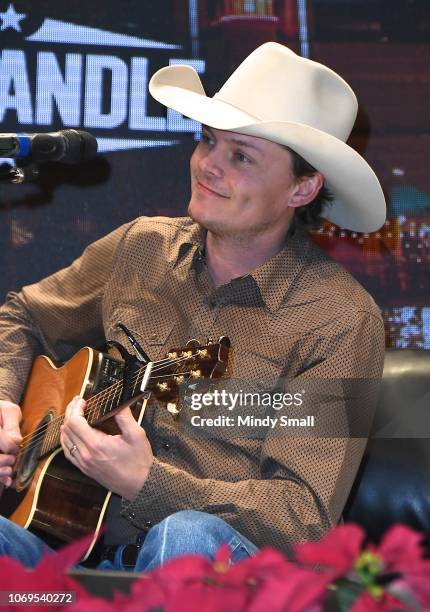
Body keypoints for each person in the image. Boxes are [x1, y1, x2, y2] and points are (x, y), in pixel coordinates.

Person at [0, 42, 385, 571]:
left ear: (303, 187)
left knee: (185, 537)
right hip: (67, 542)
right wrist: (4, 405)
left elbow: (304, 516)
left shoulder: (338, 320)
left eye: (241, 156)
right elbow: (21, 316)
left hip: (217, 569)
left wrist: (147, 484)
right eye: (207, 141)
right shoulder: (142, 246)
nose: (208, 165)